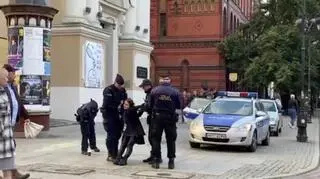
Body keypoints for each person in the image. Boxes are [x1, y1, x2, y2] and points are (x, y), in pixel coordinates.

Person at [2, 64, 30, 179]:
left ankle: (12, 172)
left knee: (10, 149)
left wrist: (25, 115)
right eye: (13, 73)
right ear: (8, 74)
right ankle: (12, 173)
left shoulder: (12, 86)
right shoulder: (3, 88)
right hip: (4, 125)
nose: (14, 75)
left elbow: (18, 102)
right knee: (7, 149)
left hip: (11, 123)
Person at [149, 74, 181, 169]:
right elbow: (179, 106)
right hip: (170, 117)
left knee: (155, 139)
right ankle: (171, 161)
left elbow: (150, 105)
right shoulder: (175, 92)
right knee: (171, 139)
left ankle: (156, 160)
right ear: (169, 81)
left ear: (161, 81)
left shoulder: (154, 90)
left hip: (157, 117)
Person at [100, 74, 126, 162]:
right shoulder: (108, 90)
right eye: (118, 85)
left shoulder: (122, 90)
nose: (119, 87)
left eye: (121, 85)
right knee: (111, 136)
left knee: (118, 135)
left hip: (119, 116)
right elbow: (107, 104)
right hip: (109, 115)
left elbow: (124, 102)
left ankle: (115, 153)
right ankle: (111, 154)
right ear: (115, 82)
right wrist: (118, 105)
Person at [114, 98, 145, 166]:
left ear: (130, 105)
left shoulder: (131, 110)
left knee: (129, 145)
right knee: (123, 145)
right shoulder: (124, 110)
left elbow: (133, 110)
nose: (125, 106)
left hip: (135, 131)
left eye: (127, 105)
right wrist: (141, 108)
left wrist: (141, 106)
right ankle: (118, 158)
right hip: (127, 131)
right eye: (124, 104)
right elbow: (137, 114)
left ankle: (124, 159)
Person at [138, 79, 161, 164]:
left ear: (148, 86)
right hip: (152, 118)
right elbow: (147, 105)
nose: (143, 88)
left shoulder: (152, 94)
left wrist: (142, 109)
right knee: (151, 139)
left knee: (154, 139)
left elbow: (150, 107)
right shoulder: (149, 93)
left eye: (143, 87)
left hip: (155, 119)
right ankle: (153, 155)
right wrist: (140, 107)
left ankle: (157, 157)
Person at [0, 68, 16, 179]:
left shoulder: (4, 90)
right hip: (2, 136)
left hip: (7, 138)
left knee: (8, 169)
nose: (7, 78)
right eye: (4, 77)